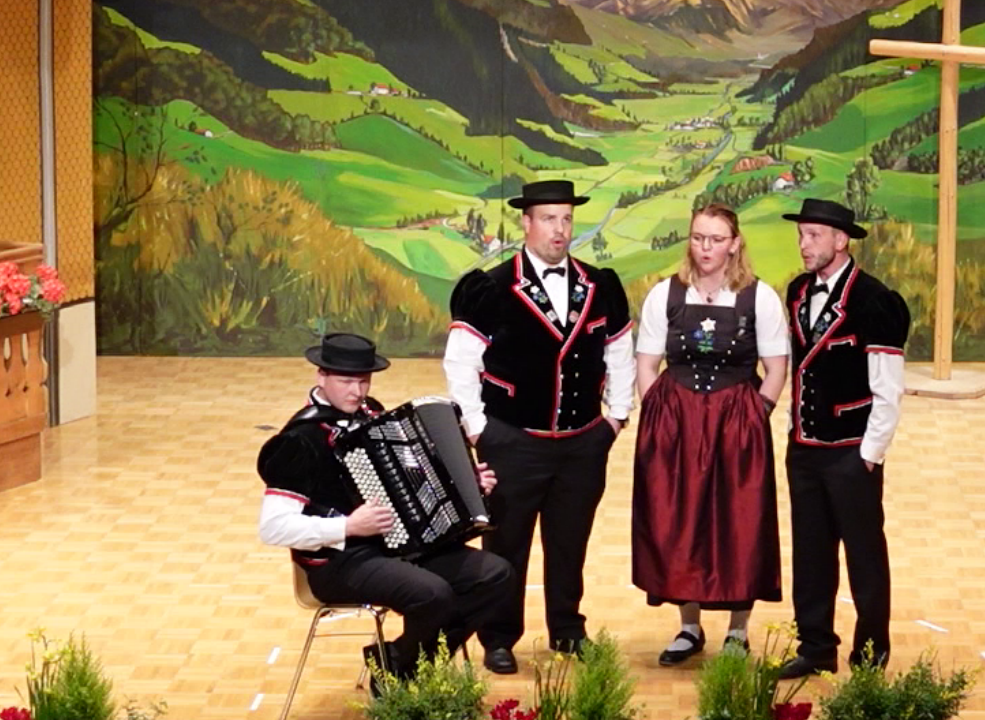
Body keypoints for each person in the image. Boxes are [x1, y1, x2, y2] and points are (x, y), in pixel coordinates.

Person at [443, 180, 637, 674]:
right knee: (507, 545)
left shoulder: (600, 285)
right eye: (549, 219)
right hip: (513, 442)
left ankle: (568, 630)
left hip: (582, 444)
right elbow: (461, 362)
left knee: (570, 544)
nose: (560, 229)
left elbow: (619, 351)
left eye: (566, 219)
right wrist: (479, 429)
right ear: (526, 223)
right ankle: (499, 636)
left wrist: (615, 417)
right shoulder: (490, 287)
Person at [257, 332, 513, 682]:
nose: (357, 392)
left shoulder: (371, 413)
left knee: (495, 575)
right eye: (346, 381)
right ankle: (404, 676)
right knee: (431, 594)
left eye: (363, 381)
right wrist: (348, 526)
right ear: (321, 376)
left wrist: (467, 483)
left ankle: (395, 662)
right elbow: (272, 528)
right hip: (340, 562)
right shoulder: (299, 441)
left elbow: (407, 476)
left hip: (399, 547)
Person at [631, 204, 788, 666]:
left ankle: (738, 631)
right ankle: (689, 627)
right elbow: (646, 362)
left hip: (736, 422)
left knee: (741, 520)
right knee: (679, 519)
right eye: (699, 237)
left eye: (716, 239)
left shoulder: (759, 298)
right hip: (677, 422)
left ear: (734, 244)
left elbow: (776, 368)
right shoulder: (666, 294)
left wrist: (756, 414)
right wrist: (658, 414)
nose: (705, 247)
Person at [775, 199, 911, 679]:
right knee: (810, 555)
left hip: (851, 453)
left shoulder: (874, 301)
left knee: (864, 556)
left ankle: (870, 654)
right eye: (801, 235)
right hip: (805, 448)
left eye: (813, 235)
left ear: (840, 240)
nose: (803, 244)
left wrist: (869, 455)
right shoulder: (797, 292)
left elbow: (888, 389)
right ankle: (815, 647)